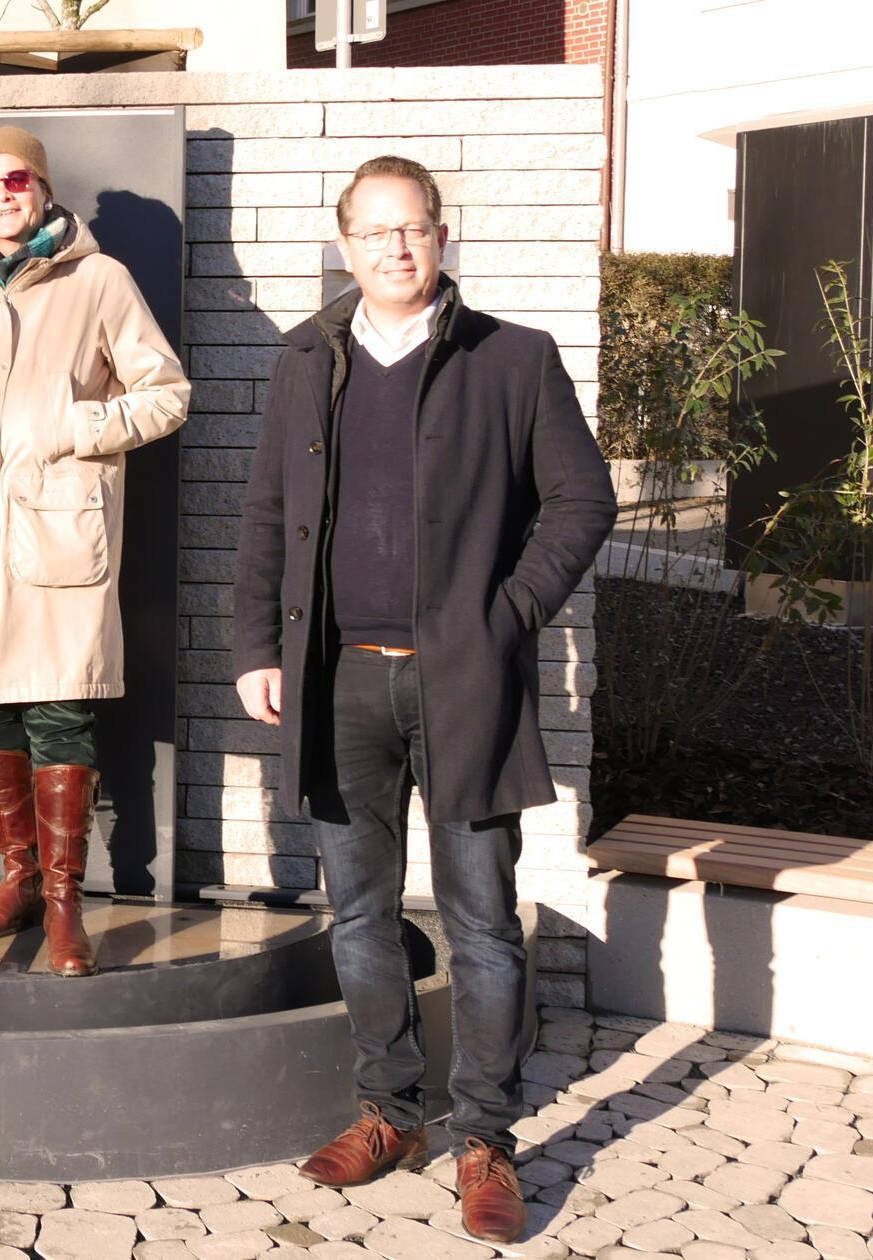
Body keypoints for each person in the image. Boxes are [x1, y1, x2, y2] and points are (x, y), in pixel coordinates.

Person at [229, 155, 615, 1241]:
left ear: (440, 237)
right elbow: (265, 517)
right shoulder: (306, 358)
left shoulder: (512, 359)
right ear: (344, 243)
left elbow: (580, 501)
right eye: (373, 232)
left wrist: (508, 614)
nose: (395, 249)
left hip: (460, 681)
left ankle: (484, 1136)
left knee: (481, 923)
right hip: (337, 678)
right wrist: (255, 644)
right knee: (356, 914)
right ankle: (388, 1113)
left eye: (414, 229)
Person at [0, 125, 189, 977]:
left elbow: (166, 395)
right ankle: (17, 879)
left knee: (60, 714)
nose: (2, 195)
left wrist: (78, 426)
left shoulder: (99, 281)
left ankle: (65, 907)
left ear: (45, 187)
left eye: (16, 179)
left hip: (57, 535)